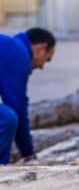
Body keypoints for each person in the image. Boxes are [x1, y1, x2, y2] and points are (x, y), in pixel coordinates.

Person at [0, 28, 55, 165]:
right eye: (47, 59)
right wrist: (29, 154)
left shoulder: (9, 45)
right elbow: (17, 106)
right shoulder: (19, 53)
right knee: (8, 119)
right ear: (41, 48)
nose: (42, 67)